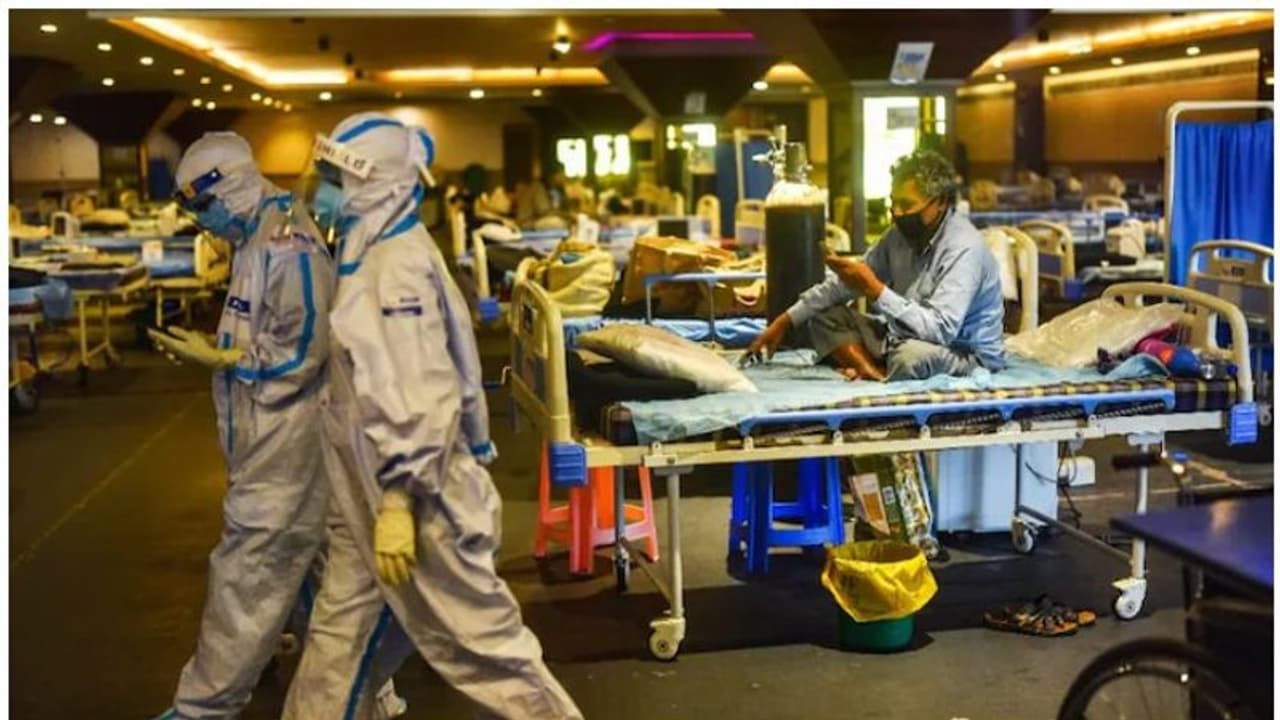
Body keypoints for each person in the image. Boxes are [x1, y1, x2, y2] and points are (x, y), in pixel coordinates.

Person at [282, 113, 582, 720]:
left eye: (338, 179)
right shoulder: (370, 250)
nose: (325, 193)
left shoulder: (394, 268)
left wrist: (399, 501)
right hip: (371, 488)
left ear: (376, 183)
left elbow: (422, 394)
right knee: (339, 642)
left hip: (420, 498)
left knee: (487, 653)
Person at [147, 132, 334, 720]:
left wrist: (228, 359)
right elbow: (267, 327)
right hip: (269, 432)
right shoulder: (256, 236)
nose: (203, 220)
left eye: (204, 206)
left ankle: (202, 707)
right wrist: (219, 348)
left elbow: (304, 348)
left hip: (289, 438)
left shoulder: (288, 243)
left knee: (248, 571)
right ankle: (368, 695)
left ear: (231, 186)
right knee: (315, 571)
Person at [748, 148, 1005, 381]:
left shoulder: (964, 248)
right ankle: (872, 371)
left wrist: (875, 290)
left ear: (941, 202)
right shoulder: (898, 237)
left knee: (909, 357)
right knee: (824, 315)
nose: (897, 213)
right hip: (903, 337)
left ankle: (874, 369)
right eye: (893, 203)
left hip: (963, 353)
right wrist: (784, 321)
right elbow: (844, 285)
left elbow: (941, 331)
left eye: (907, 205)